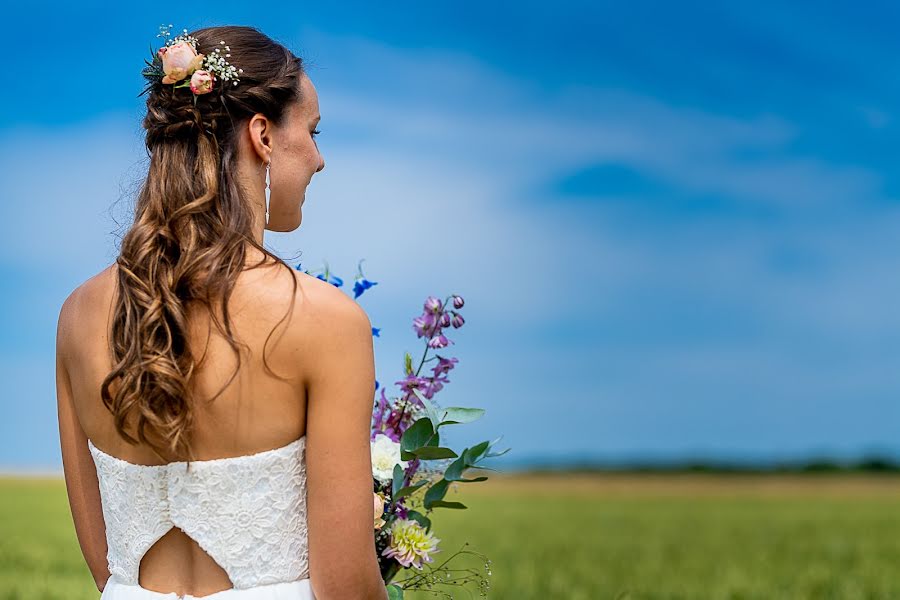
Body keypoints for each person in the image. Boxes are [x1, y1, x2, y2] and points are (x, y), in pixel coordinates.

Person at [55, 24, 389, 599]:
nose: (318, 159)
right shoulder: (324, 321)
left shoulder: (78, 314)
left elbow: (107, 564)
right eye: (311, 131)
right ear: (261, 134)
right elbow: (346, 586)